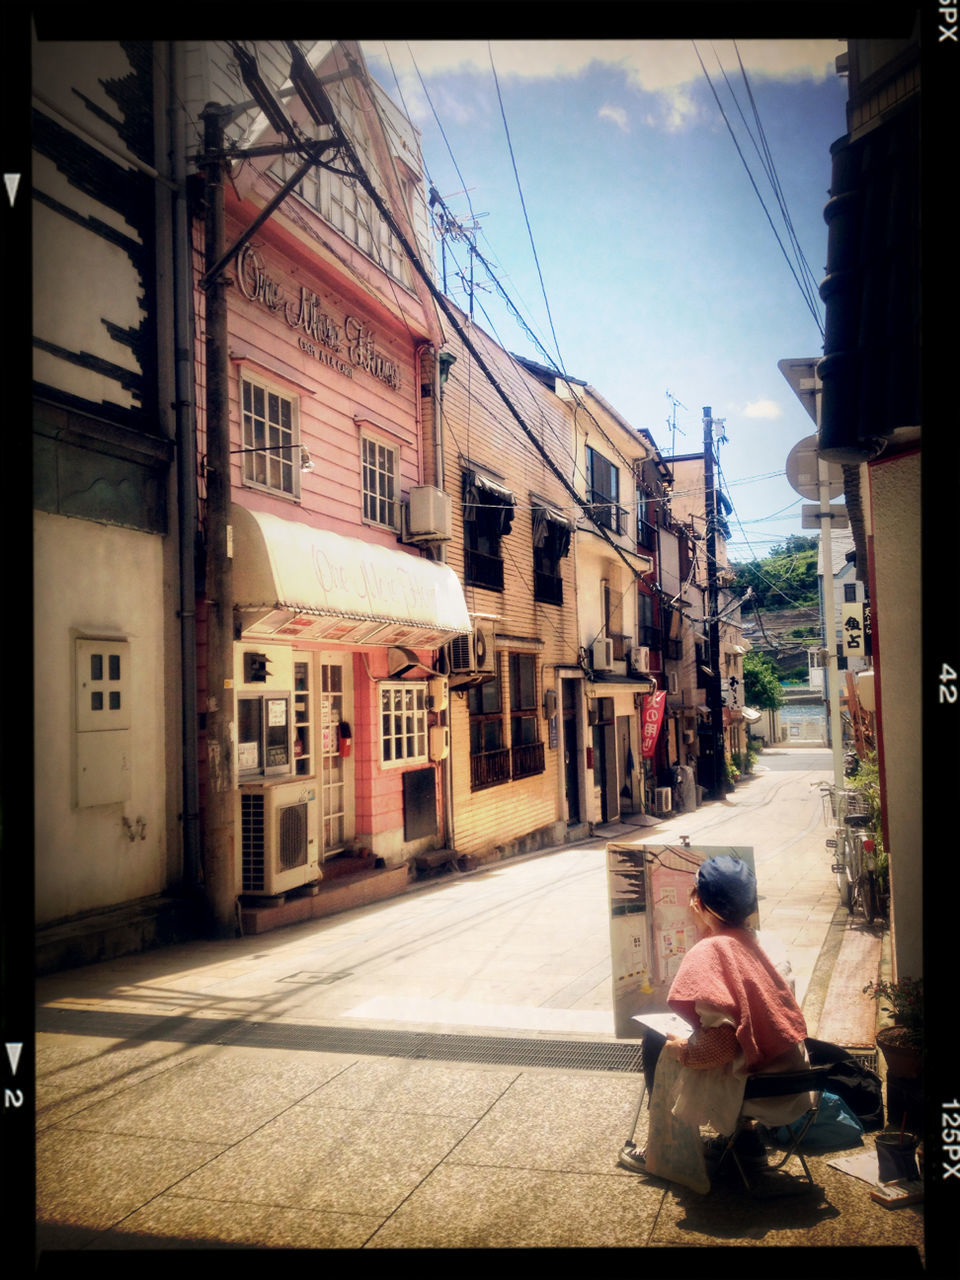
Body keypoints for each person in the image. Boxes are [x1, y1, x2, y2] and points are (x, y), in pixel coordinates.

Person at [619, 856, 813, 1192]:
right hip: (793, 1076)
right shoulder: (771, 944)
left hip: (752, 1084)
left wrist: (683, 1052)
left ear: (697, 901)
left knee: (656, 1040)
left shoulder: (709, 952)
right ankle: (749, 1143)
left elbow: (721, 1047)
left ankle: (663, 1148)